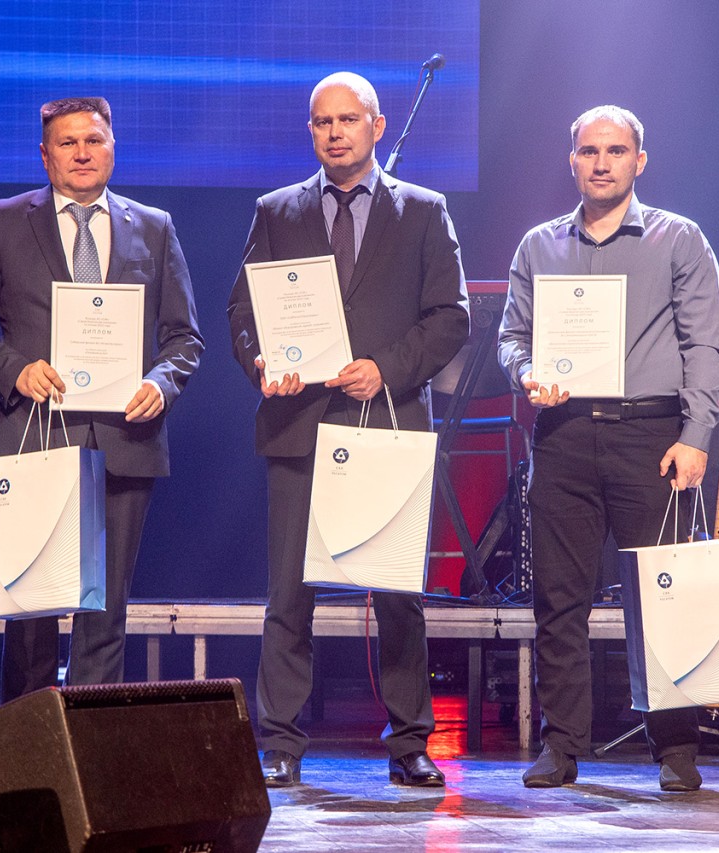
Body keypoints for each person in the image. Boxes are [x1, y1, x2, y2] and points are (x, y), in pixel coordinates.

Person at [226, 72, 468, 787]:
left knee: (396, 594)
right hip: (298, 423)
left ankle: (410, 742)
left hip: (385, 422)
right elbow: (244, 310)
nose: (335, 133)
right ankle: (281, 743)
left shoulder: (424, 210)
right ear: (311, 131)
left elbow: (450, 317)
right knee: (288, 594)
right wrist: (262, 360)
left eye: (348, 120)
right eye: (322, 122)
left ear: (377, 126)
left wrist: (386, 368)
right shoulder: (277, 210)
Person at [498, 105, 719, 792]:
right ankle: (562, 745)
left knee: (663, 596)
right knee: (558, 598)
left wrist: (695, 435)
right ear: (571, 160)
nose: (601, 162)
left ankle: (676, 749)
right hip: (563, 435)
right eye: (589, 151)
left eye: (616, 151)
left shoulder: (679, 238)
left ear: (639, 161)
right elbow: (512, 337)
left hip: (651, 435)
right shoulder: (538, 245)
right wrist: (525, 372)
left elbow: (704, 345)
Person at [0, 97, 203, 699]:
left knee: (106, 610)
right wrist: (15, 370)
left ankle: (89, 734)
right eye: (67, 143)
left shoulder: (154, 226)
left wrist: (161, 383)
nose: (81, 153)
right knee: (31, 609)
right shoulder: (2, 221)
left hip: (124, 439)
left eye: (93, 140)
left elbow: (183, 337)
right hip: (34, 434)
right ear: (45, 156)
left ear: (112, 149)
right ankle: (30, 735)